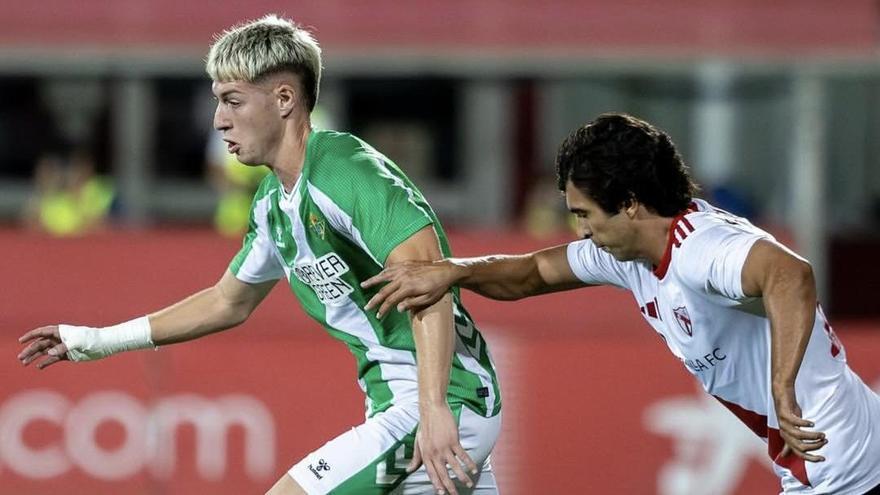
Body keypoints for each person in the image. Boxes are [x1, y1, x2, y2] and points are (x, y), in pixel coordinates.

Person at [17, 15, 502, 495]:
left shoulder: (346, 172)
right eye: (217, 102)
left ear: (284, 99)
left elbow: (428, 281)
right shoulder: (273, 204)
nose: (218, 120)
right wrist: (97, 341)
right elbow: (227, 302)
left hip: (440, 403)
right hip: (411, 404)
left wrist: (435, 408)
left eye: (232, 101)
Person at [362, 113, 880, 494]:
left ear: (630, 203)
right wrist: (454, 271)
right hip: (835, 454)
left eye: (585, 214)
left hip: (837, 463)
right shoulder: (627, 254)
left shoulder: (699, 248)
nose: (582, 230)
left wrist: (782, 389)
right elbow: (533, 272)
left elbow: (791, 275)